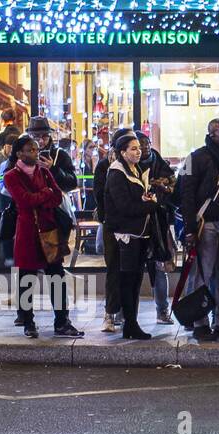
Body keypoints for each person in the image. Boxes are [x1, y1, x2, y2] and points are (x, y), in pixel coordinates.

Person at [4, 133, 83, 338]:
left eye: (36, 149)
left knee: (56, 276)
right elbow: (25, 201)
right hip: (27, 232)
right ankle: (28, 322)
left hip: (49, 231)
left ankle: (62, 321)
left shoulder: (45, 172)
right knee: (26, 279)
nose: (35, 152)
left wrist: (45, 195)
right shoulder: (11, 176)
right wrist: (45, 194)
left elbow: (57, 197)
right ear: (19, 153)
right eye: (30, 149)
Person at [179, 118, 219, 341]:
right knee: (203, 275)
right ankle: (200, 322)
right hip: (206, 224)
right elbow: (185, 194)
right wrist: (189, 228)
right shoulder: (196, 157)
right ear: (211, 134)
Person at [103, 132, 164, 340]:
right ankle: (130, 324)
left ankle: (132, 323)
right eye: (133, 149)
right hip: (126, 236)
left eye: (139, 148)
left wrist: (147, 199)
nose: (139, 152)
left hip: (139, 234)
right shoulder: (116, 173)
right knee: (128, 280)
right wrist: (149, 204)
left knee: (136, 279)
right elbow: (124, 206)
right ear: (122, 152)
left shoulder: (135, 169)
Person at [93, 126, 137, 333]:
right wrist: (106, 220)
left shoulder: (137, 165)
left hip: (133, 227)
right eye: (132, 145)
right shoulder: (106, 167)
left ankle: (126, 315)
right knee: (113, 269)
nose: (137, 150)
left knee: (129, 271)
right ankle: (110, 314)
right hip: (112, 226)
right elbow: (100, 196)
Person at [138, 132, 176, 325]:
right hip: (135, 221)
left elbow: (173, 185)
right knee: (131, 270)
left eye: (147, 144)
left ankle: (162, 310)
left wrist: (164, 186)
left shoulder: (159, 163)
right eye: (140, 144)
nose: (144, 148)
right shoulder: (128, 165)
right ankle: (121, 312)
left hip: (158, 222)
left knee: (160, 266)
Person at [26, 116, 79, 196]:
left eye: (45, 136)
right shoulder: (21, 154)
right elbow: (7, 182)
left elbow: (72, 184)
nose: (41, 140)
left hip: (53, 205)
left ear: (49, 136)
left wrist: (53, 169)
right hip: (28, 204)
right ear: (30, 136)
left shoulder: (60, 155)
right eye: (36, 136)